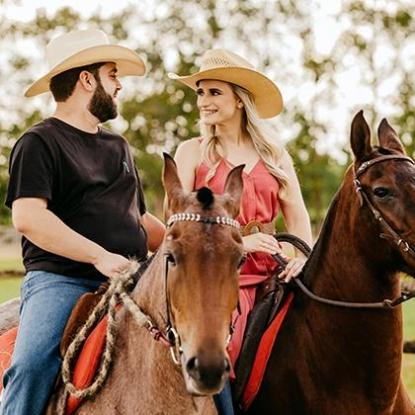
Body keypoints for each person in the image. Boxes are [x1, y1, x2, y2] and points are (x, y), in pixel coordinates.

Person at [0, 29, 165, 415]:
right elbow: (29, 218)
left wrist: (189, 237)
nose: (120, 84)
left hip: (133, 278)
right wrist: (99, 256)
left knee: (201, 355)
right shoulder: (39, 142)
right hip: (63, 280)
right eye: (112, 74)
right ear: (86, 80)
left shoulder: (118, 146)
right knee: (29, 366)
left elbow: (140, 218)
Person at [169, 49, 313, 414]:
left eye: (214, 92)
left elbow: (297, 220)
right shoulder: (193, 153)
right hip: (214, 276)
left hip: (274, 271)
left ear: (239, 98)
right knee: (220, 348)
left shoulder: (274, 155)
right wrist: (240, 244)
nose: (203, 101)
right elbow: (176, 226)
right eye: (200, 92)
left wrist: (301, 259)